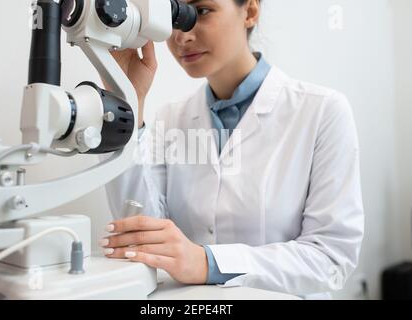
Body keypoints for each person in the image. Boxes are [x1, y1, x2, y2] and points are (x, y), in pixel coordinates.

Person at [98, 0, 364, 299]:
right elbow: (141, 233)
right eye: (175, 16)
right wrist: (126, 100)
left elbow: (331, 258)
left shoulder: (322, 111)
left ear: (249, 11)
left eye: (201, 11)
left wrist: (208, 262)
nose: (181, 35)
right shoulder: (170, 118)